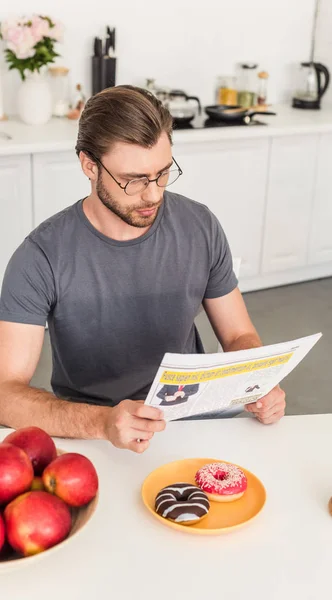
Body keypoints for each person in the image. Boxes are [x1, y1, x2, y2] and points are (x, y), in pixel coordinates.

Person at [0, 86, 286, 453]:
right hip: (96, 431)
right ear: (89, 165)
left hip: (194, 418)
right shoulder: (40, 256)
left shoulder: (200, 225)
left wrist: (257, 381)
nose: (152, 194)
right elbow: (6, 394)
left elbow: (238, 335)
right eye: (133, 180)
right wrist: (101, 422)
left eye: (163, 173)